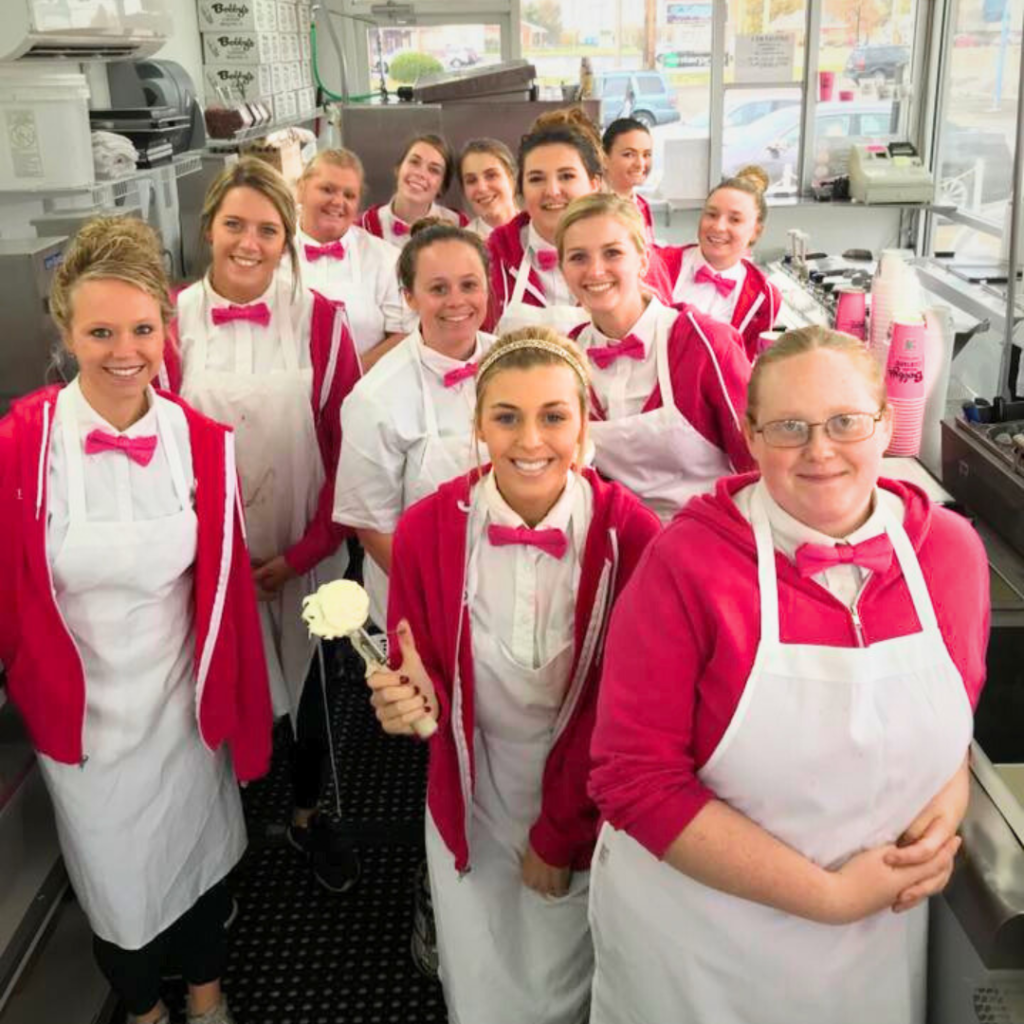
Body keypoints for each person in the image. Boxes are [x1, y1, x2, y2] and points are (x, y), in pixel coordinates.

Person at [588, 325, 989, 1024]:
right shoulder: (687, 565)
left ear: (886, 422)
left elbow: (954, 729)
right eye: (790, 428)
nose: (820, 451)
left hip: (875, 940)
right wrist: (829, 898)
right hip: (704, 945)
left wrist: (941, 817)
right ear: (750, 435)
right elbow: (632, 781)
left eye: (844, 422)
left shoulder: (951, 554)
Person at [0, 216, 272, 1024]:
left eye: (143, 329)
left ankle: (207, 997)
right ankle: (145, 1014)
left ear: (166, 328)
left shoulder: (202, 444)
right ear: (67, 332)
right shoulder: (23, 444)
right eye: (101, 331)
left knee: (195, 870)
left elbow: (225, 595)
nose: (126, 350)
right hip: (82, 719)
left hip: (180, 706)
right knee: (117, 888)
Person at [367, 328, 661, 1024]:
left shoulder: (635, 538)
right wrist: (407, 706)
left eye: (554, 416)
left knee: (573, 972)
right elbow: (425, 677)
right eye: (506, 417)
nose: (531, 440)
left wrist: (559, 834)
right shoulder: (424, 531)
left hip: (585, 794)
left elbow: (628, 716)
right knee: (483, 969)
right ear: (477, 425)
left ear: (586, 424)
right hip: (472, 787)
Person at [167, 158, 362, 892]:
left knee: (313, 692)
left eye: (268, 231)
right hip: (205, 558)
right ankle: (225, 826)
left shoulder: (321, 320)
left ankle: (309, 814)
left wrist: (308, 549)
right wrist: (207, 560)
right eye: (235, 226)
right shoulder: (170, 322)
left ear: (288, 242)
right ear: (209, 227)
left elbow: (350, 452)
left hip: (304, 547)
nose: (250, 243)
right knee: (219, 684)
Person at [332, 222, 494, 630]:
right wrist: (438, 597)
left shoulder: (515, 361)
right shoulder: (375, 397)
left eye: (469, 285)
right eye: (438, 289)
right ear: (409, 297)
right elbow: (371, 524)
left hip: (505, 592)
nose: (457, 301)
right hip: (419, 601)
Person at [558, 193, 754, 521]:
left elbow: (757, 460)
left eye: (612, 253)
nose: (595, 270)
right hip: (619, 542)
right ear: (563, 268)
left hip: (708, 536)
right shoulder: (566, 357)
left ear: (643, 260)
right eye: (578, 257)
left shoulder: (705, 344)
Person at [290, 148, 413, 371]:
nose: (338, 201)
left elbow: (403, 335)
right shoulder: (273, 254)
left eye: (349, 195)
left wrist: (349, 377)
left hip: (364, 389)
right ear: (301, 189)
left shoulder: (386, 259)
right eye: (327, 189)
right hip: (289, 394)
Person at [486, 120, 603, 334]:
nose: (552, 191)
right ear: (521, 189)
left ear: (594, 184)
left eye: (566, 176)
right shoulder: (491, 258)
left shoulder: (625, 255)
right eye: (536, 179)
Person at [659, 165, 782, 361]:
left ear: (756, 231)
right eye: (712, 214)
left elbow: (746, 364)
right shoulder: (661, 264)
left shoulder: (764, 296)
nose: (718, 226)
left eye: (735, 220)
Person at [360, 134, 468, 248]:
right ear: (398, 168)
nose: (420, 173)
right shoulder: (364, 226)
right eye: (414, 162)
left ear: (442, 187)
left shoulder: (460, 227)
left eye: (434, 170)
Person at [602, 117, 656, 244]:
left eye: (646, 154)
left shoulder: (642, 205)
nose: (640, 164)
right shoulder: (592, 210)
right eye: (629, 154)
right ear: (604, 158)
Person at [458, 138, 519, 240]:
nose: (482, 188)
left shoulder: (541, 228)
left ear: (511, 177)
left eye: (491, 175)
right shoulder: (461, 246)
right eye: (471, 180)